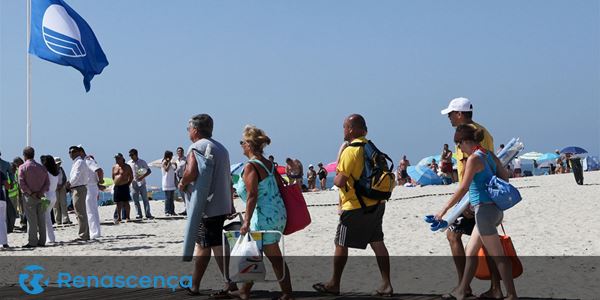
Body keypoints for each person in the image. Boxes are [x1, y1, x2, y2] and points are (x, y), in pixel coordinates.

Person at [435, 125, 517, 300]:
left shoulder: (473, 159)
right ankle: (462, 290)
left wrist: (444, 209)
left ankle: (511, 295)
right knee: (470, 252)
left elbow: (463, 187)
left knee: (498, 257)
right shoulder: (488, 154)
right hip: (494, 209)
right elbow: (505, 177)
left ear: (465, 141)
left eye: (459, 145)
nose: (459, 149)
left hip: (484, 212)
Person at [313, 114, 392, 297]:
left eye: (344, 127)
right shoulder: (370, 148)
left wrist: (340, 159)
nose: (343, 130)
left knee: (340, 242)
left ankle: (334, 283)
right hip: (377, 203)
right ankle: (386, 284)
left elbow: (340, 181)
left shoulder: (351, 150)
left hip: (355, 206)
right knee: (377, 241)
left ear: (351, 129)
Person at [441, 97, 501, 299]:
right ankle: (496, 289)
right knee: (486, 241)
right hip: (482, 196)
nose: (449, 118)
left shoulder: (468, 136)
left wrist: (466, 201)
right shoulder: (483, 132)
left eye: (450, 114)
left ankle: (464, 287)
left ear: (459, 114)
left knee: (453, 234)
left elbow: (472, 170)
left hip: (475, 197)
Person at [177, 114, 237, 297]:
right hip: (222, 202)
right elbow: (227, 178)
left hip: (205, 205)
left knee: (211, 244)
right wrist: (231, 203)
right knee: (205, 244)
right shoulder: (222, 148)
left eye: (189, 129)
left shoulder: (196, 147)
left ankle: (229, 282)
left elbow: (192, 171)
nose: (188, 132)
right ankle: (195, 285)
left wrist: (182, 183)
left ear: (195, 129)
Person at [233, 125, 292, 300]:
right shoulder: (268, 163)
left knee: (270, 256)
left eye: (242, 142)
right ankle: (245, 290)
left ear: (249, 144)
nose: (241, 145)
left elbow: (252, 195)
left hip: (264, 217)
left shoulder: (251, 166)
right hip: (277, 214)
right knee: (255, 252)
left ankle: (287, 293)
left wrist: (246, 221)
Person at [18, 147, 50, 247]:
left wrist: (31, 193)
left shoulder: (22, 167)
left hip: (30, 197)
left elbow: (21, 183)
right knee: (41, 219)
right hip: (41, 196)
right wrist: (41, 192)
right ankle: (42, 241)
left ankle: (32, 242)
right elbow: (47, 183)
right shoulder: (42, 167)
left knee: (32, 221)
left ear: (24, 155)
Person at [67, 146, 90, 241]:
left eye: (73, 152)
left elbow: (76, 176)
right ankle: (84, 233)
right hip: (76, 188)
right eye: (69, 152)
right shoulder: (76, 162)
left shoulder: (79, 162)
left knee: (80, 212)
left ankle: (83, 235)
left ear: (78, 152)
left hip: (79, 188)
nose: (71, 154)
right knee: (78, 212)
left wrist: (68, 184)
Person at [81, 147, 103, 239]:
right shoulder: (86, 160)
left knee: (90, 211)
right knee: (93, 210)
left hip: (90, 187)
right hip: (91, 187)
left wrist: (100, 181)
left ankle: (94, 232)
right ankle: (96, 231)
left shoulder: (87, 160)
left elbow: (98, 170)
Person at [128, 149, 153, 220]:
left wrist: (142, 177)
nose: (131, 156)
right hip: (133, 184)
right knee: (135, 200)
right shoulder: (129, 163)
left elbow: (149, 171)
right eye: (130, 155)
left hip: (142, 183)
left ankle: (148, 214)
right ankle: (139, 214)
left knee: (145, 199)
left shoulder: (142, 162)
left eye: (132, 155)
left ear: (136, 154)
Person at [40, 155, 59, 244]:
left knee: (46, 218)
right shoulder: (55, 172)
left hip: (46, 196)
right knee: (48, 217)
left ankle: (50, 238)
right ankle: (51, 237)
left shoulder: (46, 172)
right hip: (53, 195)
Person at [112, 153, 133, 223]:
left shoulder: (127, 166)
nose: (116, 160)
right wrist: (116, 182)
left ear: (122, 158)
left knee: (126, 202)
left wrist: (128, 184)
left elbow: (131, 177)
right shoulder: (114, 167)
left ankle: (128, 217)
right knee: (118, 203)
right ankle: (119, 217)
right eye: (116, 158)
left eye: (118, 158)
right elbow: (113, 177)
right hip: (117, 186)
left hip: (124, 186)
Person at [0, 152, 17, 233]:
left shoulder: (6, 164)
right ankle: (8, 227)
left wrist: (11, 183)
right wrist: (12, 183)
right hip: (4, 187)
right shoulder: (6, 163)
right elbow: (11, 173)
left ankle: (8, 227)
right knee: (6, 209)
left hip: (3, 187)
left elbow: (11, 173)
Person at [53, 157, 71, 225]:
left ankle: (65, 219)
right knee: (56, 205)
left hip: (62, 188)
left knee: (63, 203)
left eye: (59, 163)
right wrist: (56, 186)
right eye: (57, 163)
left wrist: (61, 185)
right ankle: (58, 220)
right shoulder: (52, 170)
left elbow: (64, 178)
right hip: (55, 189)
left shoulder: (61, 169)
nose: (58, 164)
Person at [161, 150, 177, 216]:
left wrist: (175, 165)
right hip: (167, 182)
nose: (171, 157)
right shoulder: (164, 162)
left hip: (171, 182)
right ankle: (167, 211)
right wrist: (169, 163)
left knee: (171, 198)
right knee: (168, 198)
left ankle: (172, 211)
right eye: (171, 155)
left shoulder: (170, 162)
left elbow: (174, 170)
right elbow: (166, 169)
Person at [174, 147, 188, 215]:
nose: (180, 152)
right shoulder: (176, 160)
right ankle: (186, 209)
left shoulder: (186, 159)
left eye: (181, 151)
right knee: (182, 195)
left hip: (185, 178)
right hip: (178, 178)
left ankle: (187, 209)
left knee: (186, 194)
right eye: (178, 151)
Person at [0, 169, 11, 247]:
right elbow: (7, 186)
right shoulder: (1, 173)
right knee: (2, 221)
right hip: (1, 199)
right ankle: (4, 242)